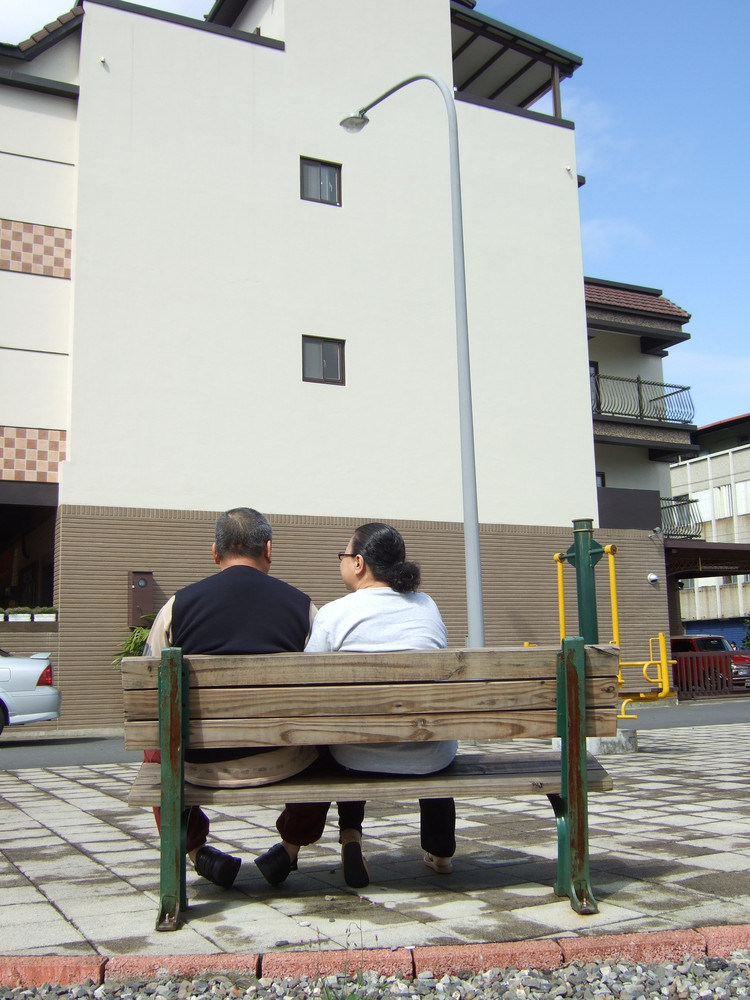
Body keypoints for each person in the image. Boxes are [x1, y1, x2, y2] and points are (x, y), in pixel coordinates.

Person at [254, 522, 456, 890]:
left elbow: (307, 684)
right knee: (433, 741)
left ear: (359, 563)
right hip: (428, 752)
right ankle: (441, 852)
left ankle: (351, 837)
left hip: (357, 755)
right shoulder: (427, 605)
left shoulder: (334, 613)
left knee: (345, 738)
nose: (342, 562)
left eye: (344, 556)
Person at [143, 506, 316, 890]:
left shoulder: (176, 608)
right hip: (284, 759)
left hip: (197, 766)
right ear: (268, 549)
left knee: (156, 740)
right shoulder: (303, 608)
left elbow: (150, 687)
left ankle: (194, 850)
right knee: (328, 736)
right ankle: (289, 848)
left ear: (215, 552)